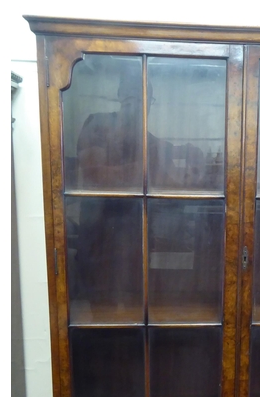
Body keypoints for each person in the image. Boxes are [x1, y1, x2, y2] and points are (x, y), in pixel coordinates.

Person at [72, 69, 205, 319]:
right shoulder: (98, 125)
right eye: (133, 97)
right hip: (100, 243)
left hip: (136, 245)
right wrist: (150, 168)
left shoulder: (151, 141)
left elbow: (169, 183)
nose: (141, 105)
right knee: (102, 318)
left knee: (138, 317)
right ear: (121, 96)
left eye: (147, 99)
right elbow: (95, 176)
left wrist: (194, 176)